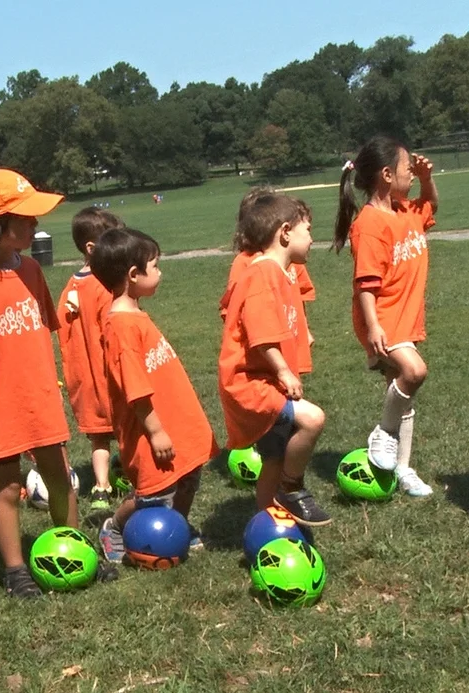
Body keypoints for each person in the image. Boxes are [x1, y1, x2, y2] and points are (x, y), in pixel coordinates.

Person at [0, 169, 86, 597]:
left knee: (59, 476)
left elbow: (43, 330)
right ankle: (15, 571)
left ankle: (74, 550)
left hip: (38, 396)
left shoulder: (31, 271)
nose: (35, 224)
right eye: (24, 217)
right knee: (6, 487)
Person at [90, 228, 219, 563]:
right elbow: (135, 390)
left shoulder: (134, 314)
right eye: (155, 265)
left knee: (189, 475)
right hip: (151, 427)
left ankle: (177, 527)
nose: (160, 272)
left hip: (177, 419)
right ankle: (115, 527)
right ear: (134, 275)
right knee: (153, 491)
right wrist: (156, 431)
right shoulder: (120, 326)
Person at [331, 137, 438, 497]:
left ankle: (403, 471)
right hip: (382, 318)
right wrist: (374, 327)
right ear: (388, 174)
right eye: (409, 170)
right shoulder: (371, 223)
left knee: (403, 392)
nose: (413, 174)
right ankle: (384, 432)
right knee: (414, 371)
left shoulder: (405, 210)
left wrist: (426, 178)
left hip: (404, 318)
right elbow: (365, 283)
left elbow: (431, 206)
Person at [219, 193, 331, 525]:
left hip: (264, 380)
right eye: (308, 230)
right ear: (285, 232)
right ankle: (291, 488)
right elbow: (260, 331)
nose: (312, 239)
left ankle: (267, 520)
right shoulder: (263, 272)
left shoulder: (279, 272)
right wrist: (284, 370)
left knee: (275, 455)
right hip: (250, 383)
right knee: (313, 420)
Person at [57, 207, 125, 510]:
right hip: (108, 375)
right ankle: (135, 475)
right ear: (92, 248)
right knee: (126, 431)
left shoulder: (70, 287)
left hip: (82, 379)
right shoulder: (104, 287)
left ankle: (101, 487)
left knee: (99, 439)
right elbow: (114, 331)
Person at [219, 186, 317, 360]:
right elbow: (233, 311)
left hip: (289, 341)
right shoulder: (246, 263)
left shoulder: (291, 260)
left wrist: (304, 329)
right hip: (262, 354)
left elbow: (299, 298)